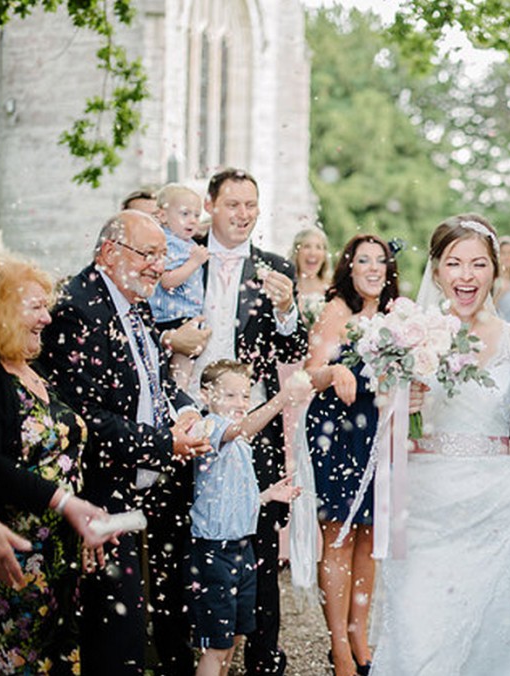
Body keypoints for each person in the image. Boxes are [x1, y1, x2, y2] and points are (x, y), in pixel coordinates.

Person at [37, 211, 211, 675]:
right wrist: (164, 444)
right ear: (110, 253)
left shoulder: (135, 299)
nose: (158, 265)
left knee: (127, 625)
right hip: (91, 494)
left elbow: (153, 380)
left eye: (162, 255)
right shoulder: (77, 309)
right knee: (110, 631)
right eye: (148, 254)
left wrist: (186, 410)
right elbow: (86, 418)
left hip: (132, 486)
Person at [370, 214, 510, 676]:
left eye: (479, 264)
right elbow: (384, 433)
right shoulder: (406, 337)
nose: (466, 276)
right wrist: (401, 401)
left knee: (493, 632)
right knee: (420, 632)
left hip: (497, 507)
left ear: (495, 270)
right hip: (424, 507)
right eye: (454, 263)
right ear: (437, 270)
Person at [164, 167, 307, 676]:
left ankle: (263, 658)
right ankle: (182, 656)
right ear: (210, 205)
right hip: (186, 420)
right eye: (233, 205)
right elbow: (155, 320)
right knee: (183, 535)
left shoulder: (272, 268)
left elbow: (294, 347)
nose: (243, 215)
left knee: (259, 542)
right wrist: (171, 340)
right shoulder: (180, 256)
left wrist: (288, 308)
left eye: (251, 205)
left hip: (253, 427)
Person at [0, 254, 113, 674]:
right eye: (35, 307)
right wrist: (64, 502)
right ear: (0, 311)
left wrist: (87, 511)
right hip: (12, 559)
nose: (47, 317)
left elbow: (68, 453)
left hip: (64, 560)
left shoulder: (38, 371)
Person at [303, 233, 399, 676]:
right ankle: (338, 646)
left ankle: (359, 632)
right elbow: (311, 375)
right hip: (337, 431)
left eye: (380, 260)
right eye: (364, 260)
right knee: (339, 535)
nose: (373, 267)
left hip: (378, 430)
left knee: (369, 536)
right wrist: (337, 367)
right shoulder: (336, 310)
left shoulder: (397, 316)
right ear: (350, 267)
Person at [188, 360, 309, 676]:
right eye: (229, 396)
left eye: (244, 397)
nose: (240, 404)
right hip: (214, 552)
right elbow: (239, 428)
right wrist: (283, 397)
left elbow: (234, 499)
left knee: (233, 640)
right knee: (216, 644)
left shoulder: (241, 445)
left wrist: (268, 496)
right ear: (205, 395)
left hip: (243, 550)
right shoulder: (209, 427)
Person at [149, 183, 208, 389]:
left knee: (182, 371)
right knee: (174, 374)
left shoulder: (187, 242)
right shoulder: (167, 242)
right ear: (163, 216)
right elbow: (167, 280)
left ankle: (177, 401)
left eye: (196, 215)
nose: (192, 220)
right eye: (185, 213)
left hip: (184, 314)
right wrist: (194, 262)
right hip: (171, 316)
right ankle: (174, 401)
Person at [291, 228, 333, 328]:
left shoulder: (333, 291)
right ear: (297, 252)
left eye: (318, 247)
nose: (312, 253)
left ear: (324, 255)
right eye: (307, 246)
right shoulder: (288, 290)